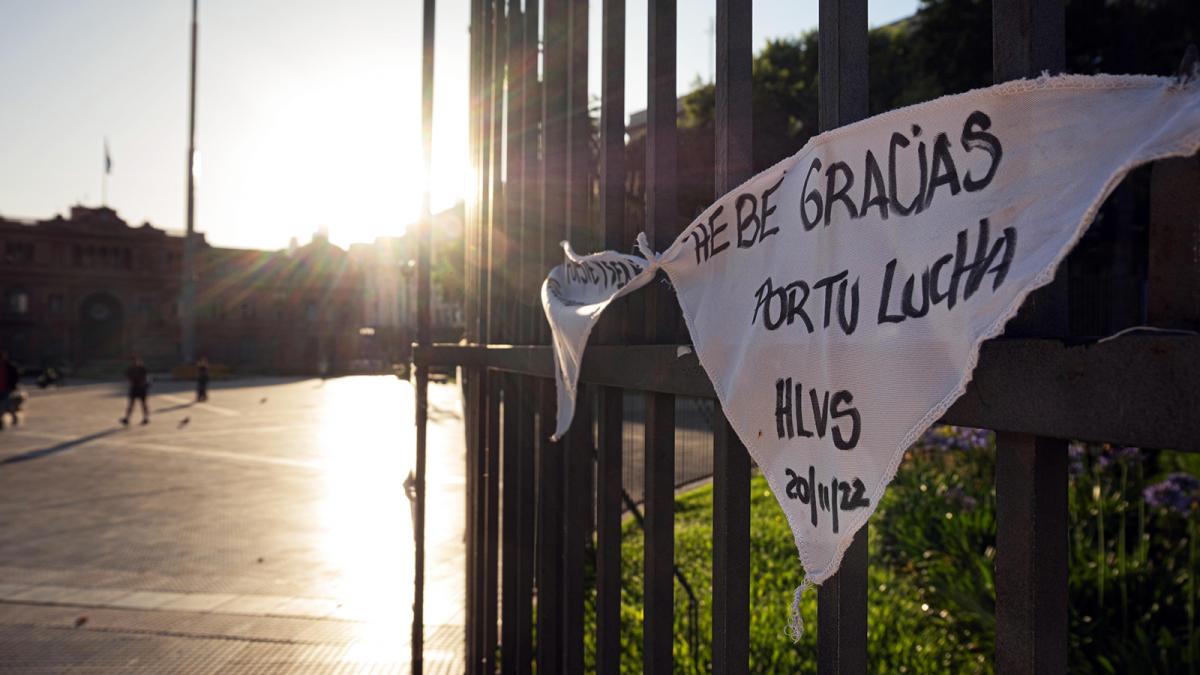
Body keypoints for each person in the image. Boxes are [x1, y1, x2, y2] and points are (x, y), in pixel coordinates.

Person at [120, 356, 150, 426]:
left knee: (142, 404)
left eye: (137, 361)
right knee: (133, 405)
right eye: (134, 361)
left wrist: (143, 383)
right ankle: (127, 419)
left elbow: (147, 377)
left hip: (140, 389)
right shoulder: (132, 369)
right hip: (136, 389)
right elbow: (127, 377)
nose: (136, 362)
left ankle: (145, 418)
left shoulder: (142, 369)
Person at [0, 351, 18, 430]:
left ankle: (2, 421)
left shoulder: (9, 367)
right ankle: (13, 416)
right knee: (6, 405)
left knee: (3, 406)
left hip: (7, 389)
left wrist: (13, 385)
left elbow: (15, 376)